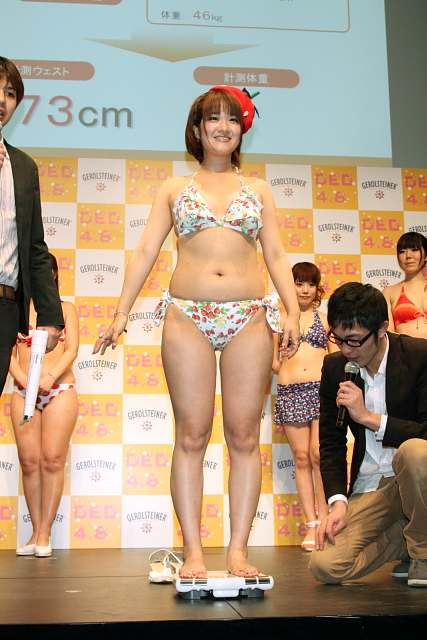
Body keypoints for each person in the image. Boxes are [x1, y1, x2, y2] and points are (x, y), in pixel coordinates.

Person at [93, 85, 300, 578]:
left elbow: (275, 254)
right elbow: (145, 251)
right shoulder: (173, 188)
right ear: (197, 129)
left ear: (242, 129)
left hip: (249, 316)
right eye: (213, 118)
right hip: (187, 315)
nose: (223, 127)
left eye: (232, 118)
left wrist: (292, 312)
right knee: (191, 434)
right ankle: (193, 552)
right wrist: (121, 313)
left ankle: (238, 551)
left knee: (244, 436)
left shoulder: (260, 189)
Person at [309, 282, 427, 588]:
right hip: (373, 483)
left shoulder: (419, 355)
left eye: (354, 340)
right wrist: (338, 502)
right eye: (338, 339)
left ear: (382, 329)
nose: (346, 350)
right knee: (326, 566)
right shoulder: (335, 367)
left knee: (414, 451)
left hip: (415, 475)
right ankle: (407, 541)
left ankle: (423, 554)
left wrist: (368, 418)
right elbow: (331, 442)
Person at [0, 57, 64, 396]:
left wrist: (50, 315)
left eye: (10, 93)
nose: (2, 100)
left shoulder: (23, 167)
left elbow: (35, 247)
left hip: (5, 307)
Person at [9, 252, 79, 557]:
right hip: (22, 390)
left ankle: (45, 535)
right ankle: (35, 533)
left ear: (53, 276)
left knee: (52, 460)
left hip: (58, 389)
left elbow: (72, 349)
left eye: (46, 272)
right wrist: (24, 379)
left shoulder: (66, 309)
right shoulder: (15, 309)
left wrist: (50, 377)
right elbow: (7, 352)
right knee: (29, 462)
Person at [272, 262, 336, 551]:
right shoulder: (279, 321)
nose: (305, 289)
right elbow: (272, 362)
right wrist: (288, 367)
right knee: (301, 458)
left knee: (319, 454)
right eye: (299, 283)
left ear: (317, 287)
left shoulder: (326, 320)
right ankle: (311, 524)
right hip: (291, 391)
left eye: (310, 283)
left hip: (321, 391)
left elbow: (335, 356)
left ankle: (326, 520)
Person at [383, 231, 427, 338]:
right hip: (405, 348)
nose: (408, 256)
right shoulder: (389, 292)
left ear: (426, 255)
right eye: (402, 251)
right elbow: (387, 332)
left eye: (414, 250)